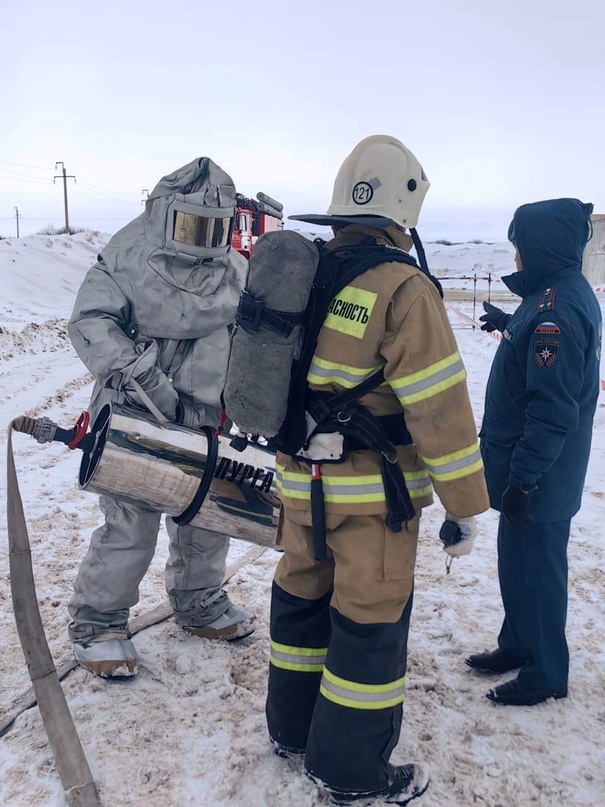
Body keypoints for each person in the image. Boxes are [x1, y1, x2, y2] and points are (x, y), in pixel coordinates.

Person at [265, 135, 490, 806]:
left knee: (301, 604)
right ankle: (350, 769)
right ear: (403, 208)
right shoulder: (402, 286)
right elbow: (438, 408)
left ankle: (290, 729)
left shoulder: (299, 272)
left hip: (297, 484)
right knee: (367, 624)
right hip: (370, 499)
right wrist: (464, 504)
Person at [67, 157, 254, 677]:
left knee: (207, 518)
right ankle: (97, 622)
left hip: (208, 420)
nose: (203, 237)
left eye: (214, 227)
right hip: (136, 416)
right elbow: (89, 321)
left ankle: (198, 602)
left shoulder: (237, 272)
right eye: (193, 224)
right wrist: (141, 374)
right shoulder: (125, 257)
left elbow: (254, 340)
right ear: (165, 216)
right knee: (130, 523)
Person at [468, 198, 602, 706]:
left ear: (538, 247)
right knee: (518, 564)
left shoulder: (556, 311)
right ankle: (520, 645)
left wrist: (523, 480)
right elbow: (541, 368)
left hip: (539, 474)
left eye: (520, 246)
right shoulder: (553, 294)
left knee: (539, 573)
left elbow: (553, 409)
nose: (516, 257)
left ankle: (546, 672)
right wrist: (509, 325)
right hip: (530, 468)